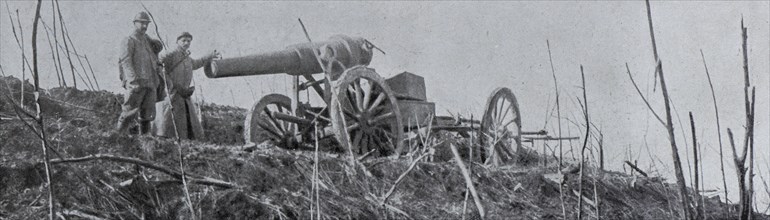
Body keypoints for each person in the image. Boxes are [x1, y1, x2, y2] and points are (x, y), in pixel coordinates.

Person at [152, 32, 218, 140]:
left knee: (183, 118)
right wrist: (169, 83)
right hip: (172, 91)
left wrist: (209, 56)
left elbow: (196, 64)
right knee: (166, 117)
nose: (186, 43)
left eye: (188, 41)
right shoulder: (172, 53)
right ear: (177, 42)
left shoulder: (186, 56)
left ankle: (180, 140)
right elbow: (158, 63)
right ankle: (161, 136)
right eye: (184, 40)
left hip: (183, 93)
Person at [116, 11, 162, 134]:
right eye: (141, 23)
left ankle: (145, 140)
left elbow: (156, 52)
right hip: (137, 82)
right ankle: (119, 137)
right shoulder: (129, 40)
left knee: (147, 114)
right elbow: (126, 61)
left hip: (150, 82)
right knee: (129, 111)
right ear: (135, 23)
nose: (144, 26)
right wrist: (132, 80)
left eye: (146, 23)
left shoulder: (147, 41)